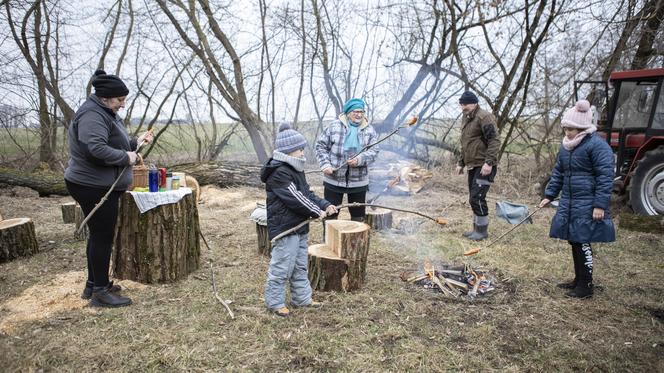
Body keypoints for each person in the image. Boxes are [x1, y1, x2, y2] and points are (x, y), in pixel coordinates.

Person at [65, 69, 153, 308]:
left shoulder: (105, 111)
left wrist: (136, 143)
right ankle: (100, 293)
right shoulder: (92, 115)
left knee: (98, 235)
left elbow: (115, 142)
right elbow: (96, 149)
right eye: (120, 100)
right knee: (102, 237)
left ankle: (94, 284)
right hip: (91, 184)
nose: (123, 104)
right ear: (105, 97)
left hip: (98, 183)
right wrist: (127, 157)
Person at [539, 100, 615, 299]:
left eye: (571, 129)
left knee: (583, 242)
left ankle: (586, 285)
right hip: (570, 202)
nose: (567, 133)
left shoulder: (597, 146)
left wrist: (600, 205)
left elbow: (605, 178)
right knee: (574, 240)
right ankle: (577, 279)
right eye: (565, 129)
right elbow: (559, 173)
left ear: (582, 127)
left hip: (588, 203)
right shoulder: (567, 147)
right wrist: (549, 195)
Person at [261, 123, 337, 317]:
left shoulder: (295, 169)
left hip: (299, 227)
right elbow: (295, 198)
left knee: (300, 266)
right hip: (286, 228)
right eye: (299, 149)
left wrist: (324, 204)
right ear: (288, 151)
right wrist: (315, 211)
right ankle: (275, 302)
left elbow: (307, 194)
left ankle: (302, 299)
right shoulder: (279, 172)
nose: (303, 152)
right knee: (282, 267)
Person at [315, 98, 378, 222]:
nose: (359, 115)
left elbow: (374, 151)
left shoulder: (369, 130)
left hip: (359, 181)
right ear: (348, 112)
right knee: (331, 214)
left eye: (361, 111)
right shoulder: (334, 126)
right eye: (355, 111)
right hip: (333, 179)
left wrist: (360, 159)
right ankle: (329, 240)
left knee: (358, 216)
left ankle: (357, 241)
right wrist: (325, 164)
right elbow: (320, 146)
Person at [455, 91, 501, 241]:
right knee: (473, 198)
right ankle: (476, 229)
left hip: (484, 165)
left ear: (474, 103)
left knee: (478, 197)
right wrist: (461, 162)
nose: (463, 107)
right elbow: (465, 142)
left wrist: (489, 163)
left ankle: (482, 232)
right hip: (473, 165)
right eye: (461, 104)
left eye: (466, 104)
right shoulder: (466, 117)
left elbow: (494, 140)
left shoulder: (484, 117)